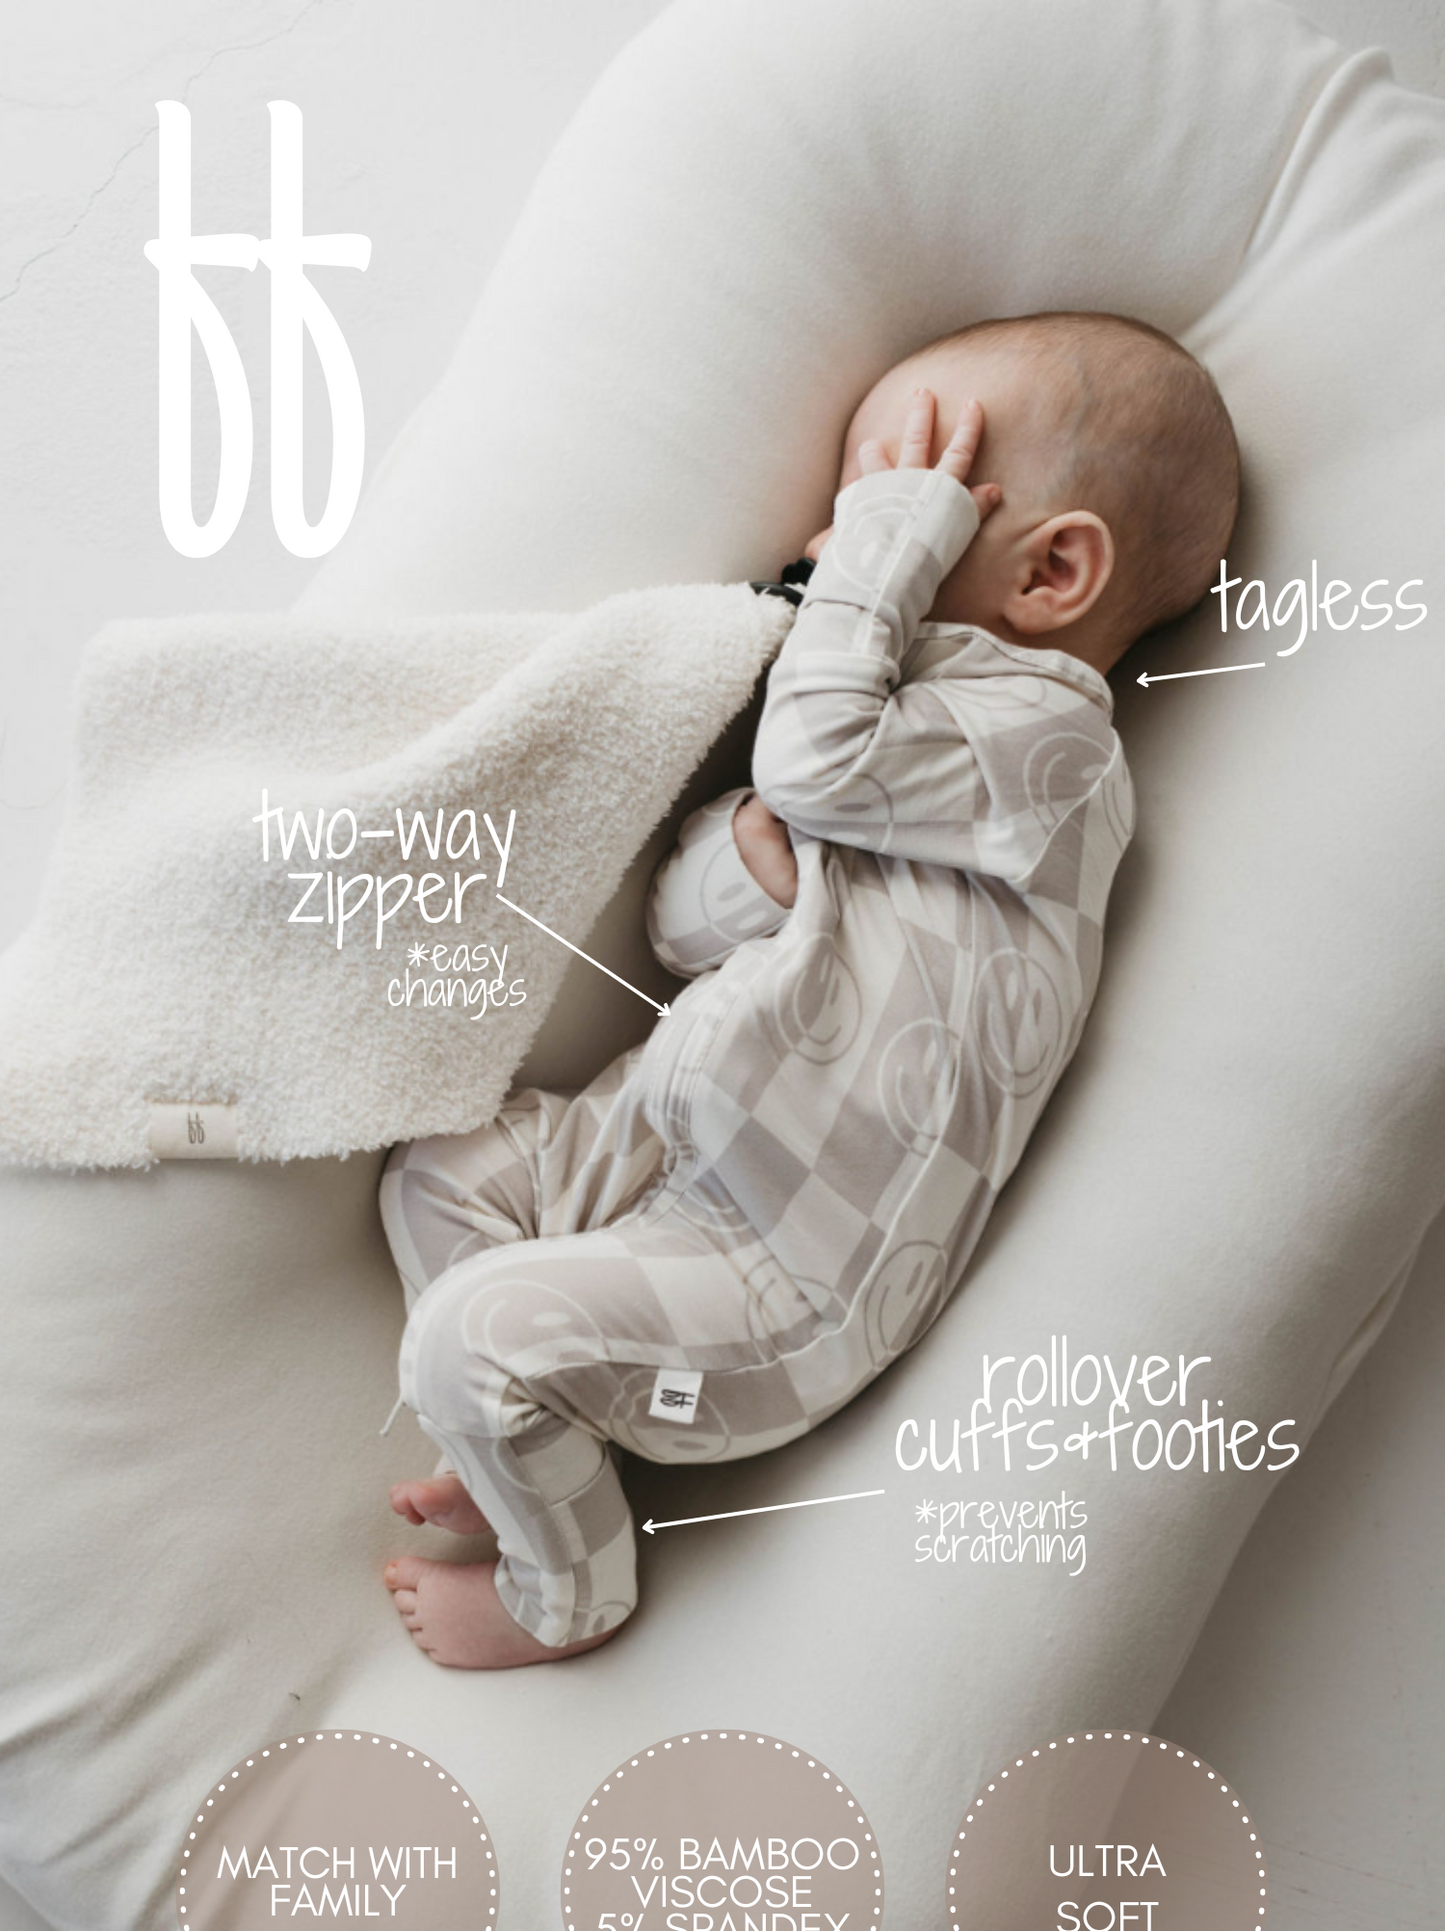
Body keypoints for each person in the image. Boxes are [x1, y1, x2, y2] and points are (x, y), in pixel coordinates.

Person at [378, 310, 1240, 1667]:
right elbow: (679, 936)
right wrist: (751, 874)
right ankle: (520, 1456)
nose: (835, 561)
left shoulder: (1055, 756)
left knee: (472, 1336)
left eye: (897, 506)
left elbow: (819, 763)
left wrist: (883, 559)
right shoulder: (877, 735)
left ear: (1055, 571)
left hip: (783, 1281)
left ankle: (567, 1596)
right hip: (666, 1161)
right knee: (438, 1173)